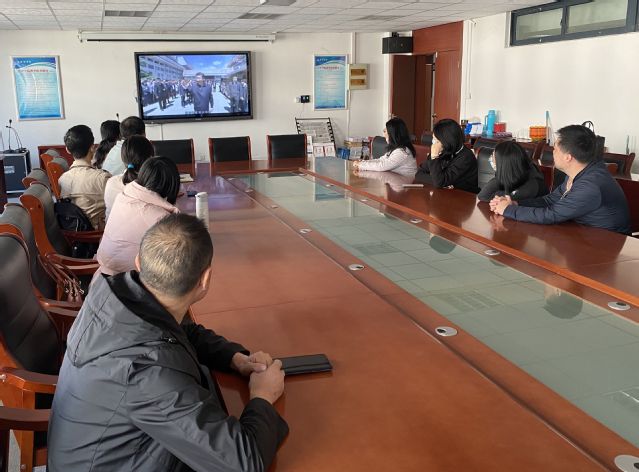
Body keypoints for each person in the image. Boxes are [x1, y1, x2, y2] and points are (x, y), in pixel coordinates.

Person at [48, 213, 289, 471]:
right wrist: (262, 396)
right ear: (205, 280)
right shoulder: (147, 372)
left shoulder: (115, 298)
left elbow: (183, 332)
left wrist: (234, 358)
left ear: (139, 261)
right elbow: (244, 464)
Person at [491, 124, 631, 234]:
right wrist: (515, 204)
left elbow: (551, 214)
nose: (552, 152)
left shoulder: (590, 185)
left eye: (555, 149)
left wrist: (508, 210)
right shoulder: (578, 173)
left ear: (568, 157)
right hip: (582, 235)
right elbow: (550, 200)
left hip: (605, 245)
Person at [97, 156, 180, 275]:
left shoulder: (123, 196)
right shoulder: (161, 218)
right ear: (171, 186)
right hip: (129, 280)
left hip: (102, 276)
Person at [58, 125, 111, 230]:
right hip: (98, 233)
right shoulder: (103, 178)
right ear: (92, 148)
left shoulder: (62, 179)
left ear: (67, 150)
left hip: (72, 232)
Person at [415, 119, 479, 193]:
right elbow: (419, 174)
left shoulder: (466, 157)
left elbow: (439, 182)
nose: (434, 144)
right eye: (433, 139)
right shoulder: (443, 151)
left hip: (464, 196)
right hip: (444, 194)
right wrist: (440, 182)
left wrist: (434, 157)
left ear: (447, 140)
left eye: (437, 141)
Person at [103, 135, 155, 220]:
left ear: (123, 158)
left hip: (112, 227)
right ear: (151, 157)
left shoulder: (111, 182)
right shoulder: (152, 184)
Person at [477, 141, 548, 202]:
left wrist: (498, 191)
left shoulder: (531, 185)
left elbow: (484, 195)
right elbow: (483, 195)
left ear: (504, 164)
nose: (490, 160)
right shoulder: (515, 173)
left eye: (493, 158)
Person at [352, 117, 417, 176]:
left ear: (393, 134)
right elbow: (381, 160)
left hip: (405, 183)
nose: (384, 133)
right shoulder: (396, 149)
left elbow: (382, 166)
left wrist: (360, 165)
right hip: (397, 181)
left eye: (385, 131)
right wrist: (362, 162)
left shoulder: (402, 152)